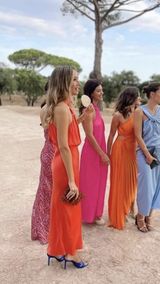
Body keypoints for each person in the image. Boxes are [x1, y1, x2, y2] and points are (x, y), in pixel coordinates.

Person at [45, 66, 87, 269]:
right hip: (65, 163)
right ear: (64, 82)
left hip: (70, 160)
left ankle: (61, 249)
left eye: (78, 79)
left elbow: (69, 131)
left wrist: (80, 118)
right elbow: (63, 145)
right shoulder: (62, 108)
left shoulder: (67, 106)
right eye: (74, 80)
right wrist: (71, 180)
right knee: (68, 209)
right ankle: (70, 253)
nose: (78, 83)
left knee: (67, 209)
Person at [134, 82, 160, 233]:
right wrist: (147, 155)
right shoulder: (139, 111)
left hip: (159, 152)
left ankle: (149, 216)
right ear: (152, 94)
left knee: (156, 185)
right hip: (144, 153)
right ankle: (140, 217)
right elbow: (137, 135)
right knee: (146, 185)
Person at [107, 87, 140, 230]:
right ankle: (119, 212)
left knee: (132, 181)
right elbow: (111, 135)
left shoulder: (138, 113)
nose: (140, 99)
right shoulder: (118, 115)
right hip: (119, 150)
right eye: (138, 97)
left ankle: (129, 208)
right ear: (131, 98)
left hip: (132, 151)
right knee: (119, 182)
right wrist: (107, 154)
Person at [79, 79, 109, 225]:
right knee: (90, 184)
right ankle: (87, 214)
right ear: (91, 93)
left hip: (100, 150)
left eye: (102, 90)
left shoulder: (97, 109)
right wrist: (102, 154)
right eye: (98, 90)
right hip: (92, 153)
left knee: (100, 182)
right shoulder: (88, 111)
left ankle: (97, 213)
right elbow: (89, 136)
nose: (101, 92)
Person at [31, 83, 55, 245]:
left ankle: (52, 225)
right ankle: (42, 228)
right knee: (46, 192)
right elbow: (49, 129)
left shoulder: (57, 108)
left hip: (54, 151)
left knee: (53, 191)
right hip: (50, 152)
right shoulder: (47, 108)